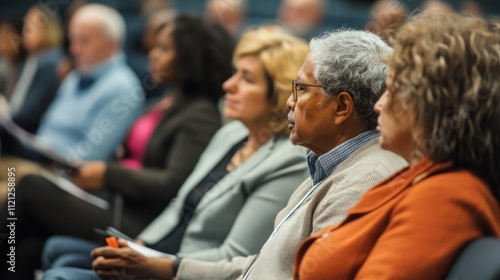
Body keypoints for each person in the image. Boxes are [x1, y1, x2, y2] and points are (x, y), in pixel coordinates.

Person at [61, 29, 406, 280]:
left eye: (300, 88)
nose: (290, 100)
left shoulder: (363, 180)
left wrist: (166, 268)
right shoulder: (326, 166)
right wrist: (168, 266)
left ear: (342, 107)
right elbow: (264, 266)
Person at [42, 26, 311, 279]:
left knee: (61, 270)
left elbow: (235, 257)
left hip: (182, 270)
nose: (229, 85)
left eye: (247, 79)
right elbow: (178, 203)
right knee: (57, 250)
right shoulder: (231, 135)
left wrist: (156, 264)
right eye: (235, 73)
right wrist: (140, 245)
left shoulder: (288, 161)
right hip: (159, 255)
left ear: (277, 94)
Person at [0, 13, 232, 280]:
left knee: (31, 187)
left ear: (189, 58)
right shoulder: (168, 100)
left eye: (165, 49)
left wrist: (108, 174)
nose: (153, 55)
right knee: (27, 242)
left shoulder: (199, 113)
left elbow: (174, 182)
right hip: (116, 202)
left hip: (141, 220)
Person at [293, 13, 500, 280]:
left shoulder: (445, 197)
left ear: (430, 105)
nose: (379, 105)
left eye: (392, 90)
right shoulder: (417, 176)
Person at [19, 3, 144, 162]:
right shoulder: (75, 77)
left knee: (10, 182)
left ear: (111, 44)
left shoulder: (123, 89)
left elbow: (89, 158)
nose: (74, 49)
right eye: (72, 40)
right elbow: (47, 130)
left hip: (59, 174)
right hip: (36, 159)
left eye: (84, 40)